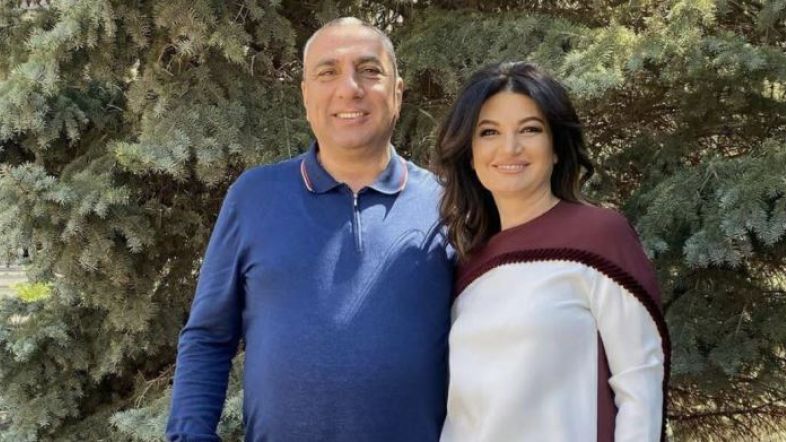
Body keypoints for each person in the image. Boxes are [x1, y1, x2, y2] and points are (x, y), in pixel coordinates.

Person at [166, 18, 454, 442]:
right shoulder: (254, 198)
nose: (349, 88)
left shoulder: (445, 205)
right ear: (305, 95)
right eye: (328, 72)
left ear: (397, 92)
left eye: (369, 70)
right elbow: (208, 338)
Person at [434, 61, 669, 441]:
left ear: (556, 146)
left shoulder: (598, 237)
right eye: (489, 132)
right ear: (470, 152)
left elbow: (640, 382)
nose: (509, 147)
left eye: (530, 129)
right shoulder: (467, 262)